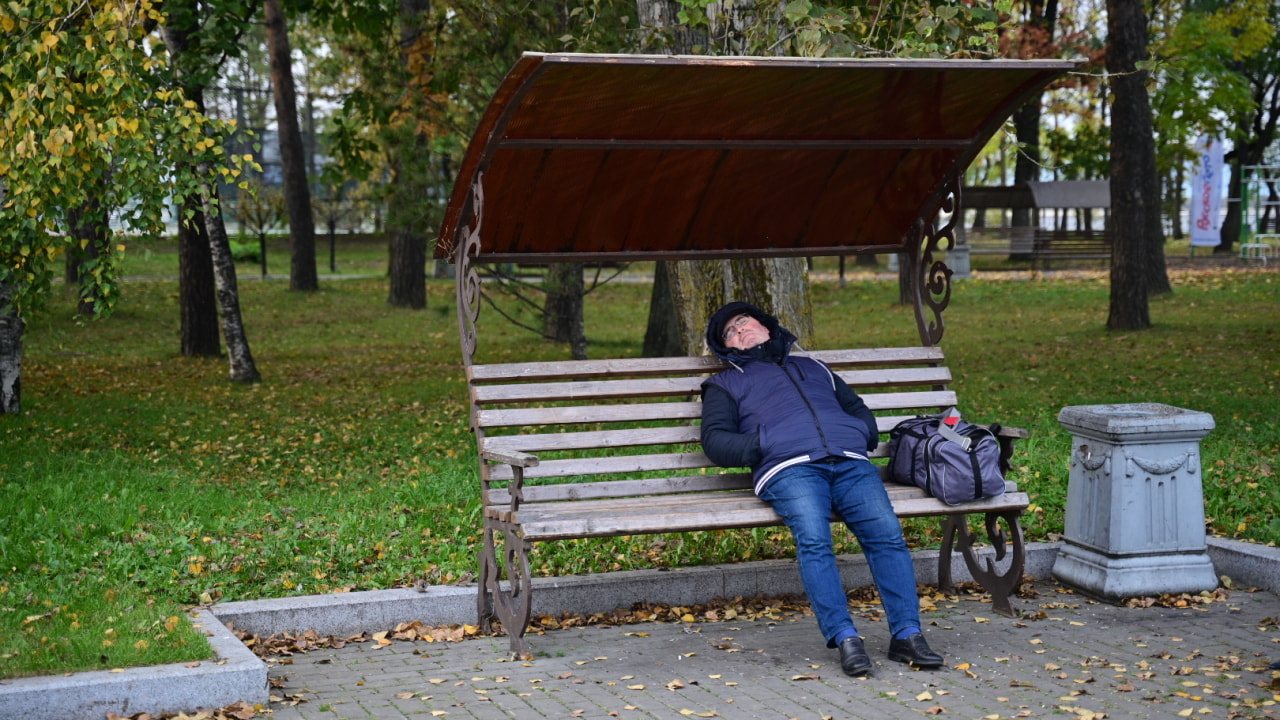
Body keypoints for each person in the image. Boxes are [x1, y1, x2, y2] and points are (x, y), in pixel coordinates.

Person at [699, 301, 943, 677]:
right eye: (730, 333)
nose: (740, 332)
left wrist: (859, 434)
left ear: (766, 327)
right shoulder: (725, 383)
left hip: (848, 462)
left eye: (744, 323)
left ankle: (907, 636)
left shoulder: (814, 368)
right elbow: (715, 441)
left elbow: (859, 411)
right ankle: (846, 638)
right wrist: (765, 444)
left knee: (887, 535)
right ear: (729, 348)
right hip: (789, 469)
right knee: (814, 538)